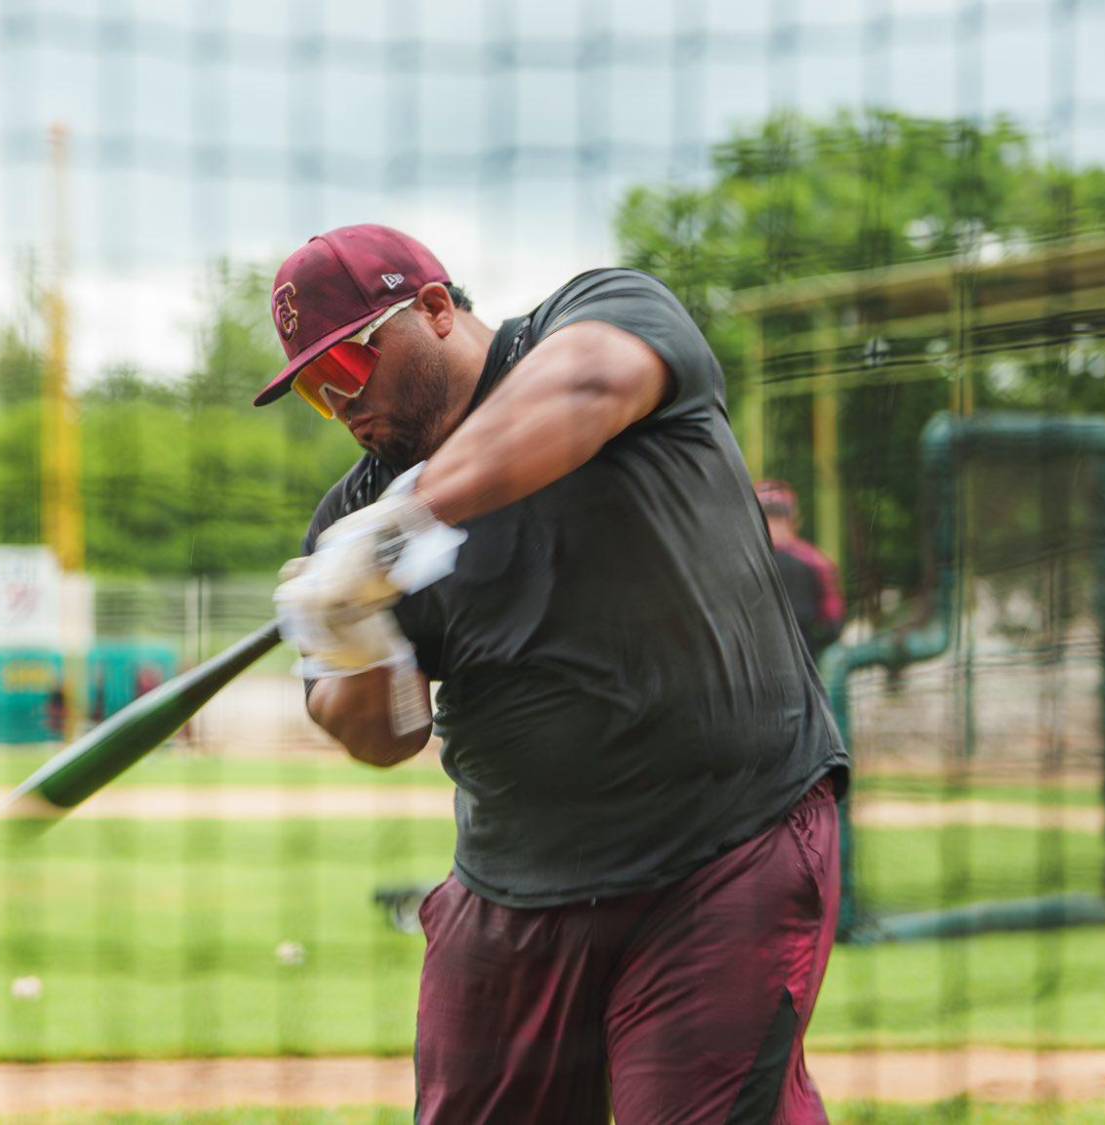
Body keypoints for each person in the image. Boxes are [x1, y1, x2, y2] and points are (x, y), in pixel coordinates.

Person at [259, 224, 849, 1122]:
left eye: (346, 366)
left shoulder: (604, 314)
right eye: (310, 389)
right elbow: (388, 734)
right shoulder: (354, 511)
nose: (339, 402)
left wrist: (398, 529)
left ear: (433, 310)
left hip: (725, 847)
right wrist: (351, 639)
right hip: (513, 888)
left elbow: (592, 385)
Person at [757, 480, 846, 664]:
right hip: (803, 662)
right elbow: (834, 622)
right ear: (794, 518)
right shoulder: (816, 561)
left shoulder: (739, 561)